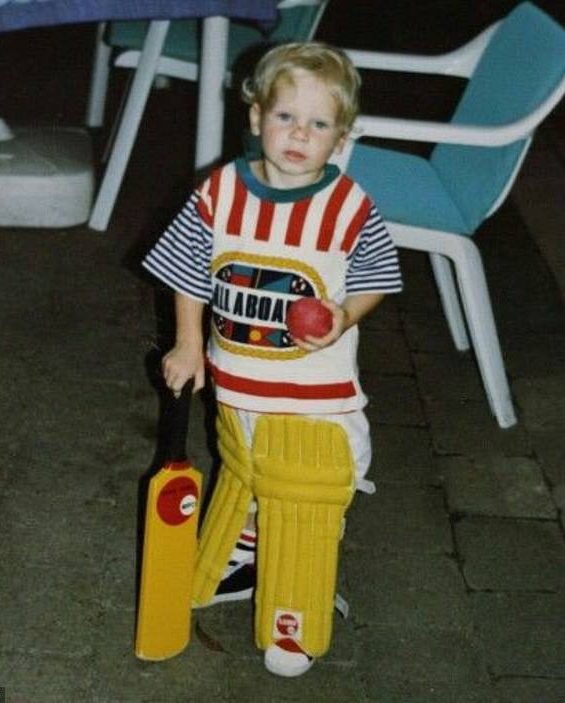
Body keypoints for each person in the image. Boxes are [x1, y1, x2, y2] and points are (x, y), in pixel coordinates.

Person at [143, 42, 402, 677]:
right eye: (286, 117)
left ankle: (295, 614)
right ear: (256, 116)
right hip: (238, 385)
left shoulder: (348, 208)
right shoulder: (221, 191)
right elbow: (187, 271)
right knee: (244, 466)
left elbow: (376, 276)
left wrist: (344, 315)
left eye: (318, 125)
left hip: (316, 398)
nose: (299, 135)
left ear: (340, 138)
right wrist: (186, 342)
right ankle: (241, 557)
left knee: (304, 483)